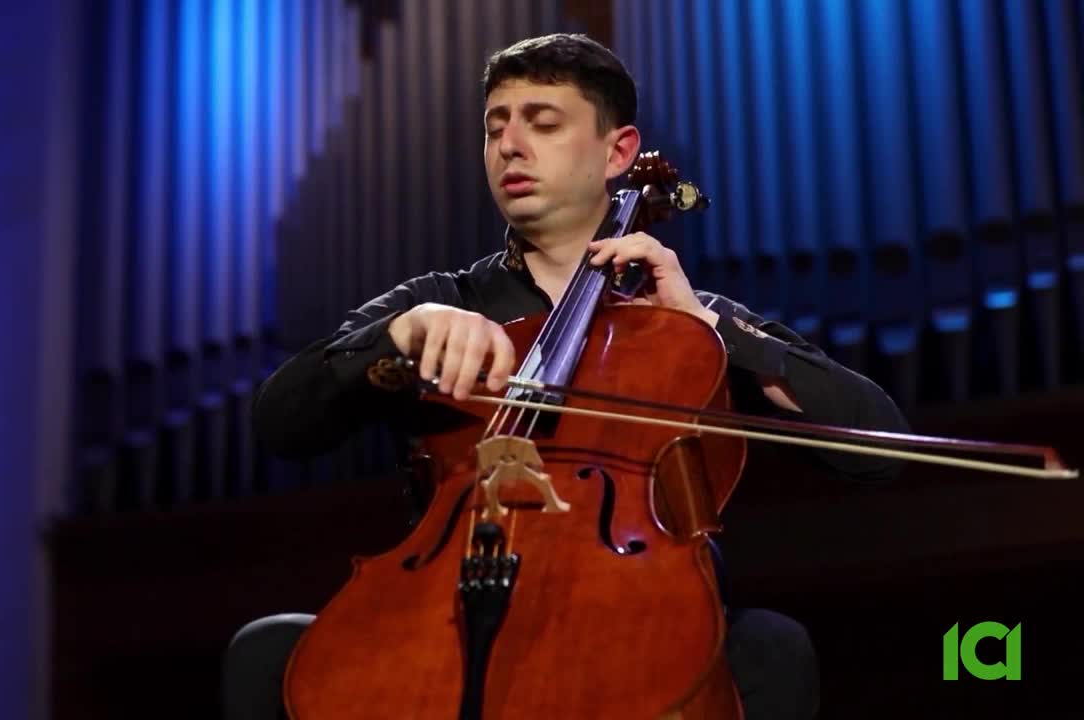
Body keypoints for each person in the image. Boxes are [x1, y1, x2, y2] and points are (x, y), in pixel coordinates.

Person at [225, 33, 908, 720]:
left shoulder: (688, 322)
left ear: (618, 152)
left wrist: (716, 331)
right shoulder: (442, 303)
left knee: (771, 649)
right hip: (446, 606)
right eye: (496, 127)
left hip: (635, 616)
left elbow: (880, 447)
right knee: (268, 653)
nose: (510, 145)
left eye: (543, 122)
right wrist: (398, 335)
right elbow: (279, 422)